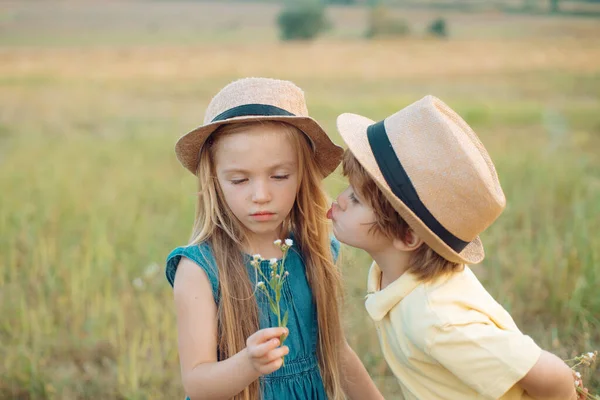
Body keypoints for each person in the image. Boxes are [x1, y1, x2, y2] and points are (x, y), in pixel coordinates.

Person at [327, 95, 579, 399]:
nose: (339, 199)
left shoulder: (437, 319)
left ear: (407, 237)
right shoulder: (394, 272)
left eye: (356, 199)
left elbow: (555, 377)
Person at [165, 77, 383, 400]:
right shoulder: (199, 270)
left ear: (302, 175)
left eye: (280, 176)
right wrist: (248, 364)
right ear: (214, 181)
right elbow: (197, 384)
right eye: (239, 180)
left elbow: (336, 352)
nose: (261, 195)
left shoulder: (317, 254)